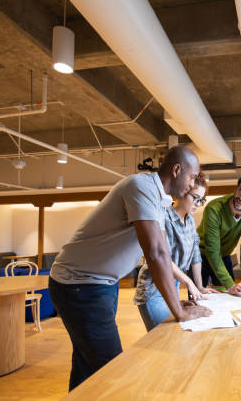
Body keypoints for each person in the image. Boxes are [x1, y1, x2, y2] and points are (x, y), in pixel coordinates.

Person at [49, 146, 212, 391]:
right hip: (79, 285)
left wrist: (183, 295)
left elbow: (163, 254)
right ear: (176, 170)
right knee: (113, 372)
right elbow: (155, 254)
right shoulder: (141, 187)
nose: (191, 185)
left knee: (86, 367)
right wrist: (178, 310)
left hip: (102, 284)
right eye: (190, 177)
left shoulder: (161, 200)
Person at [133, 174, 218, 331]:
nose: (198, 204)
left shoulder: (190, 221)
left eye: (201, 200)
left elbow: (195, 256)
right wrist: (189, 282)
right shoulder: (163, 216)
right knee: (163, 337)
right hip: (153, 289)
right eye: (195, 198)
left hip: (174, 285)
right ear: (183, 192)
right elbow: (163, 258)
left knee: (178, 332)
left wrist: (199, 286)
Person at [197, 172, 241, 296]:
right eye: (240, 190)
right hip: (200, 255)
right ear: (236, 188)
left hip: (224, 254)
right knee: (197, 297)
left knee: (229, 296)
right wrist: (231, 285)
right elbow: (212, 251)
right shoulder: (214, 209)